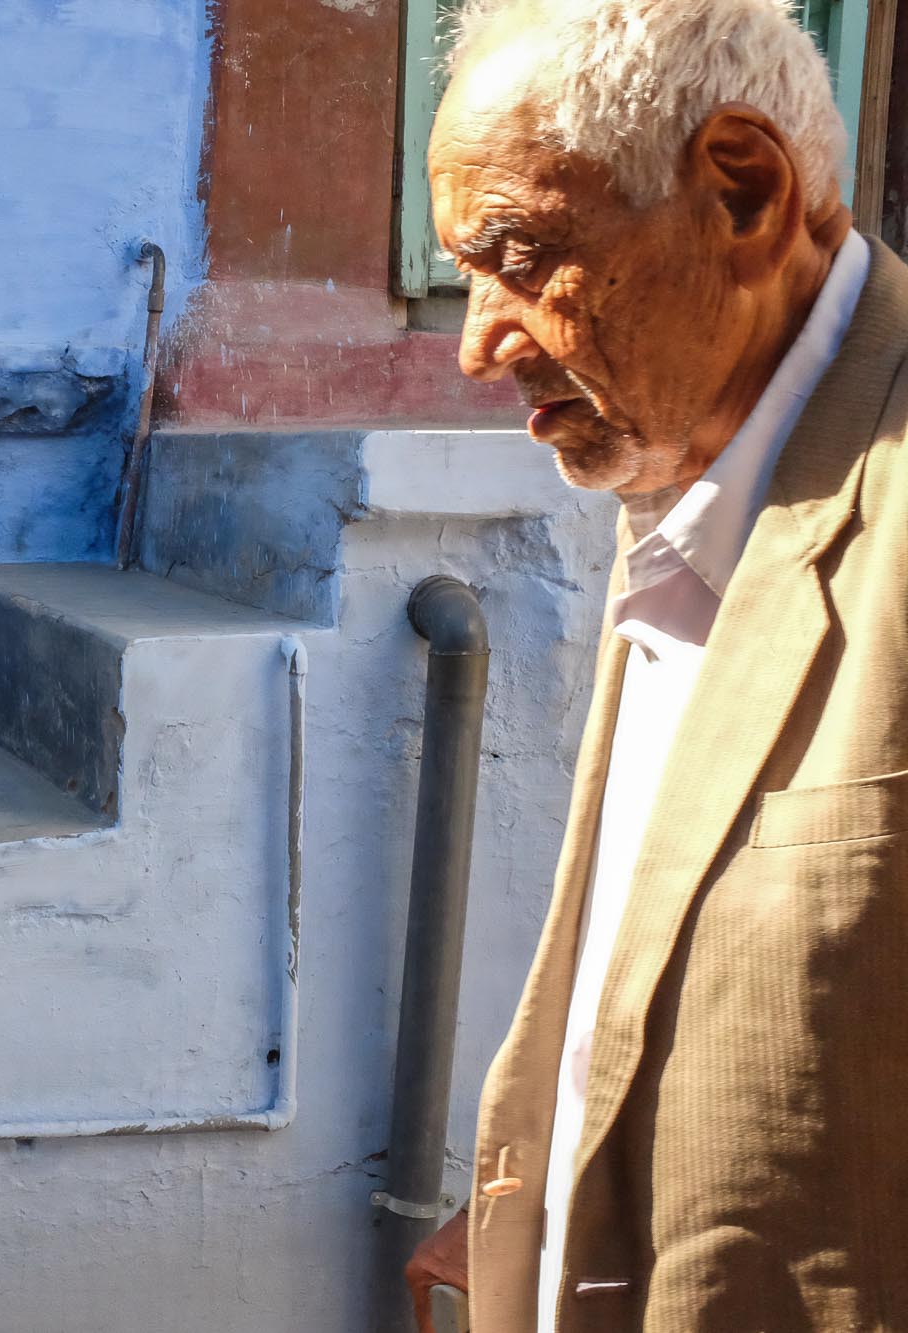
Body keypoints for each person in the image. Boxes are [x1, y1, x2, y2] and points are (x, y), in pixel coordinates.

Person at [404, 0, 908, 1328]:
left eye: (522, 258)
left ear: (743, 190)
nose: (479, 342)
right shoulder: (693, 468)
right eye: (466, 272)